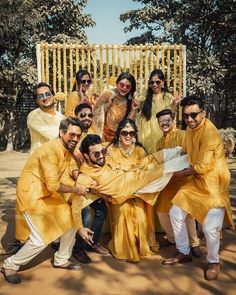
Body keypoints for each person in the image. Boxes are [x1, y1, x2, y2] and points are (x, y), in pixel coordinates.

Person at [1, 117, 93, 284]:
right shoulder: (50, 150)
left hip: (48, 195)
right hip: (32, 195)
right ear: (61, 132)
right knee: (40, 238)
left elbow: (69, 167)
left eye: (78, 136)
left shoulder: (66, 149)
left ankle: (61, 259)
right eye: (71, 135)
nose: (75, 139)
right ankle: (10, 264)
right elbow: (52, 185)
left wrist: (78, 175)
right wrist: (76, 188)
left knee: (71, 221)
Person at [162, 96, 234, 281]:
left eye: (194, 115)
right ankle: (184, 251)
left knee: (210, 229)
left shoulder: (209, 132)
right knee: (175, 213)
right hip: (196, 180)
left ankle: (213, 261)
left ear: (204, 113)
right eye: (186, 116)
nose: (190, 119)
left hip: (213, 185)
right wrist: (168, 164)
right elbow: (185, 152)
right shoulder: (189, 129)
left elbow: (201, 167)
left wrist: (174, 174)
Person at [106, 118, 158, 262]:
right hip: (119, 193)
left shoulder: (140, 151)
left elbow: (146, 172)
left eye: (131, 133)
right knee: (123, 211)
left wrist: (135, 188)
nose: (128, 136)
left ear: (135, 135)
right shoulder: (111, 150)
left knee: (140, 214)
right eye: (124, 133)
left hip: (137, 193)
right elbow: (110, 173)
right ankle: (124, 248)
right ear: (118, 134)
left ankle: (139, 245)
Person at [155, 109, 201, 257]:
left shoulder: (182, 135)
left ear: (173, 120)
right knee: (161, 211)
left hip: (184, 180)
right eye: (161, 121)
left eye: (167, 120)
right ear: (158, 124)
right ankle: (172, 238)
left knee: (187, 214)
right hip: (168, 182)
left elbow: (189, 156)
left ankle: (194, 243)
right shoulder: (159, 143)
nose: (165, 123)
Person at [73, 103, 108, 264]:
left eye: (89, 115)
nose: (87, 118)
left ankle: (92, 243)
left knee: (102, 210)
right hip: (76, 185)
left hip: (92, 183)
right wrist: (80, 178)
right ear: (76, 117)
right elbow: (69, 165)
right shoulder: (72, 137)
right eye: (83, 115)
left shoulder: (94, 134)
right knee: (86, 215)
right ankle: (78, 249)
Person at [137, 69, 181, 153]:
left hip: (161, 133)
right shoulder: (144, 95)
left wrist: (175, 105)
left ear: (163, 82)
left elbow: (171, 117)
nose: (154, 85)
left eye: (157, 82)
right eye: (152, 82)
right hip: (146, 136)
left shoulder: (168, 97)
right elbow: (136, 107)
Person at [93, 72, 139, 142]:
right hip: (102, 134)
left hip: (119, 138)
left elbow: (128, 123)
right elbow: (94, 113)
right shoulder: (107, 94)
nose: (124, 88)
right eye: (121, 85)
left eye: (128, 86)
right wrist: (107, 105)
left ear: (131, 88)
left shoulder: (131, 100)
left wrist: (133, 110)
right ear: (117, 84)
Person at [27, 82, 65, 153]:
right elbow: (54, 135)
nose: (45, 98)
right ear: (37, 101)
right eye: (41, 96)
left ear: (53, 96)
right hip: (39, 161)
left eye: (47, 94)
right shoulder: (33, 116)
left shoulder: (61, 117)